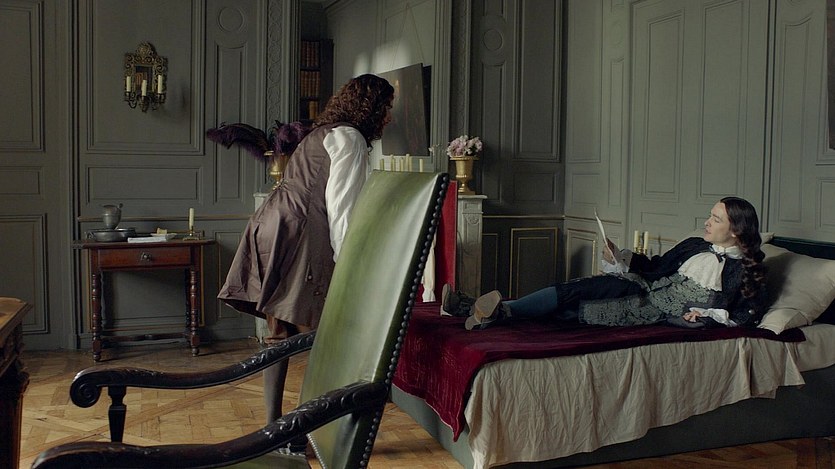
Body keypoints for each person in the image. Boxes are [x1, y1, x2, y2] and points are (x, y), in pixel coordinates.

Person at [218, 74, 394, 427]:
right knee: (331, 329)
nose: (389, 116)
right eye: (387, 107)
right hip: (298, 231)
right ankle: (323, 423)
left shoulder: (322, 132)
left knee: (280, 332)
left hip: (271, 224)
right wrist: (348, 270)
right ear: (371, 108)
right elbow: (342, 210)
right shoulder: (350, 138)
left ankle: (276, 425)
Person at [443, 197, 768, 331]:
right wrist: (620, 257)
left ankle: (475, 309)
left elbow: (746, 316)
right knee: (575, 289)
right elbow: (656, 265)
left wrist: (706, 316)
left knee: (574, 312)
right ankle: (483, 309)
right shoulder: (695, 244)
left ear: (736, 230)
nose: (707, 222)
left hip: (653, 311)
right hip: (641, 286)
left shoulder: (745, 271)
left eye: (716, 219)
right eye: (710, 215)